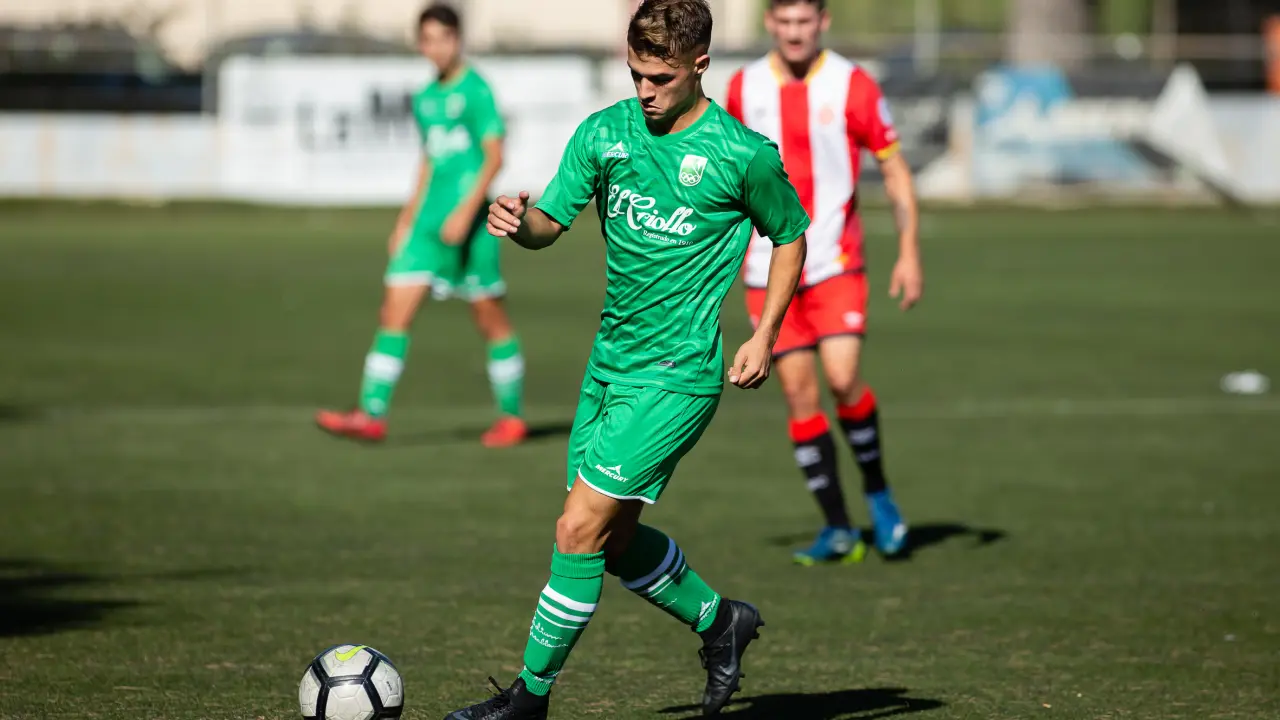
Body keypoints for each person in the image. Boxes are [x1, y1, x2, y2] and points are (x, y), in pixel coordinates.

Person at [443, 1, 810, 717]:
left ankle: (530, 699)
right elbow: (550, 223)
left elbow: (791, 234)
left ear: (700, 66)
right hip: (608, 366)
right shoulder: (604, 133)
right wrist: (520, 224)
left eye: (660, 78)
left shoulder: (742, 155)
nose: (644, 90)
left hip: (678, 376)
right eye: (636, 73)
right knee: (609, 543)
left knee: (576, 529)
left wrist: (764, 334)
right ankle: (721, 622)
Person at [725, 0, 924, 565]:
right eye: (784, 22)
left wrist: (909, 252)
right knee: (798, 393)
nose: (794, 33)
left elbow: (893, 166)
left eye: (804, 22)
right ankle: (838, 526)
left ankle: (879, 495)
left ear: (822, 21)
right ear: (770, 22)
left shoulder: (853, 85)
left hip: (837, 261)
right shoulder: (742, 88)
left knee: (842, 377)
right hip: (767, 268)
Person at [315, 3, 527, 447]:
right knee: (393, 311)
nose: (436, 48)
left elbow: (494, 157)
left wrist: (465, 213)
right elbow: (430, 160)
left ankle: (511, 417)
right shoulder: (426, 97)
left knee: (489, 319)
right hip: (427, 227)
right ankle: (371, 414)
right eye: (428, 40)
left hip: (471, 229)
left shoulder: (476, 90)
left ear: (458, 40)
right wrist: (406, 219)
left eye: (444, 38)